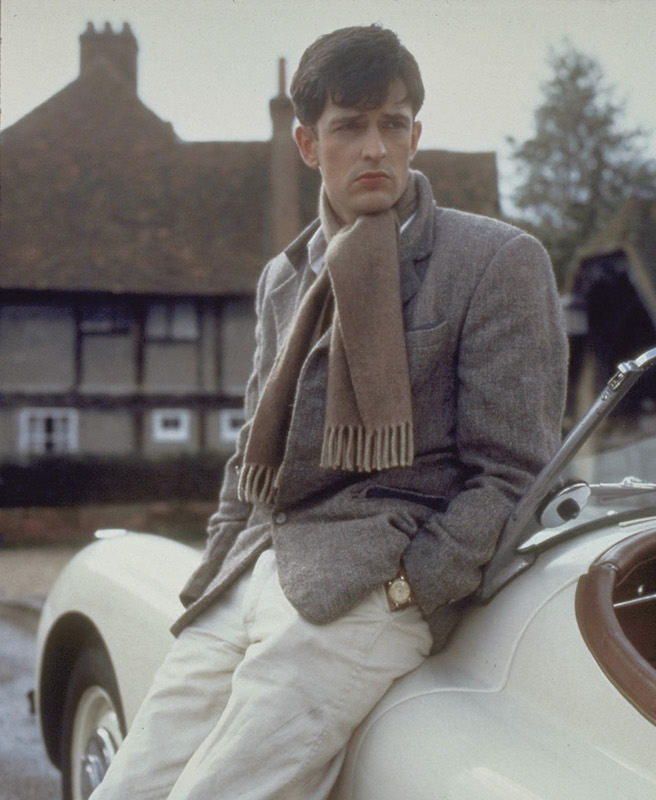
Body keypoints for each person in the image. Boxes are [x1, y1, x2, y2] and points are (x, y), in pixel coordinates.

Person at [91, 24, 567, 800]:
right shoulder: (285, 278)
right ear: (309, 144)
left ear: (416, 134)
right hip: (258, 565)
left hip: (373, 581)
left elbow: (515, 468)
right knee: (129, 784)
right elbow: (252, 447)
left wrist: (416, 586)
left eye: (394, 123)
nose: (375, 147)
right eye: (350, 127)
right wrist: (215, 570)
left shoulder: (494, 261)